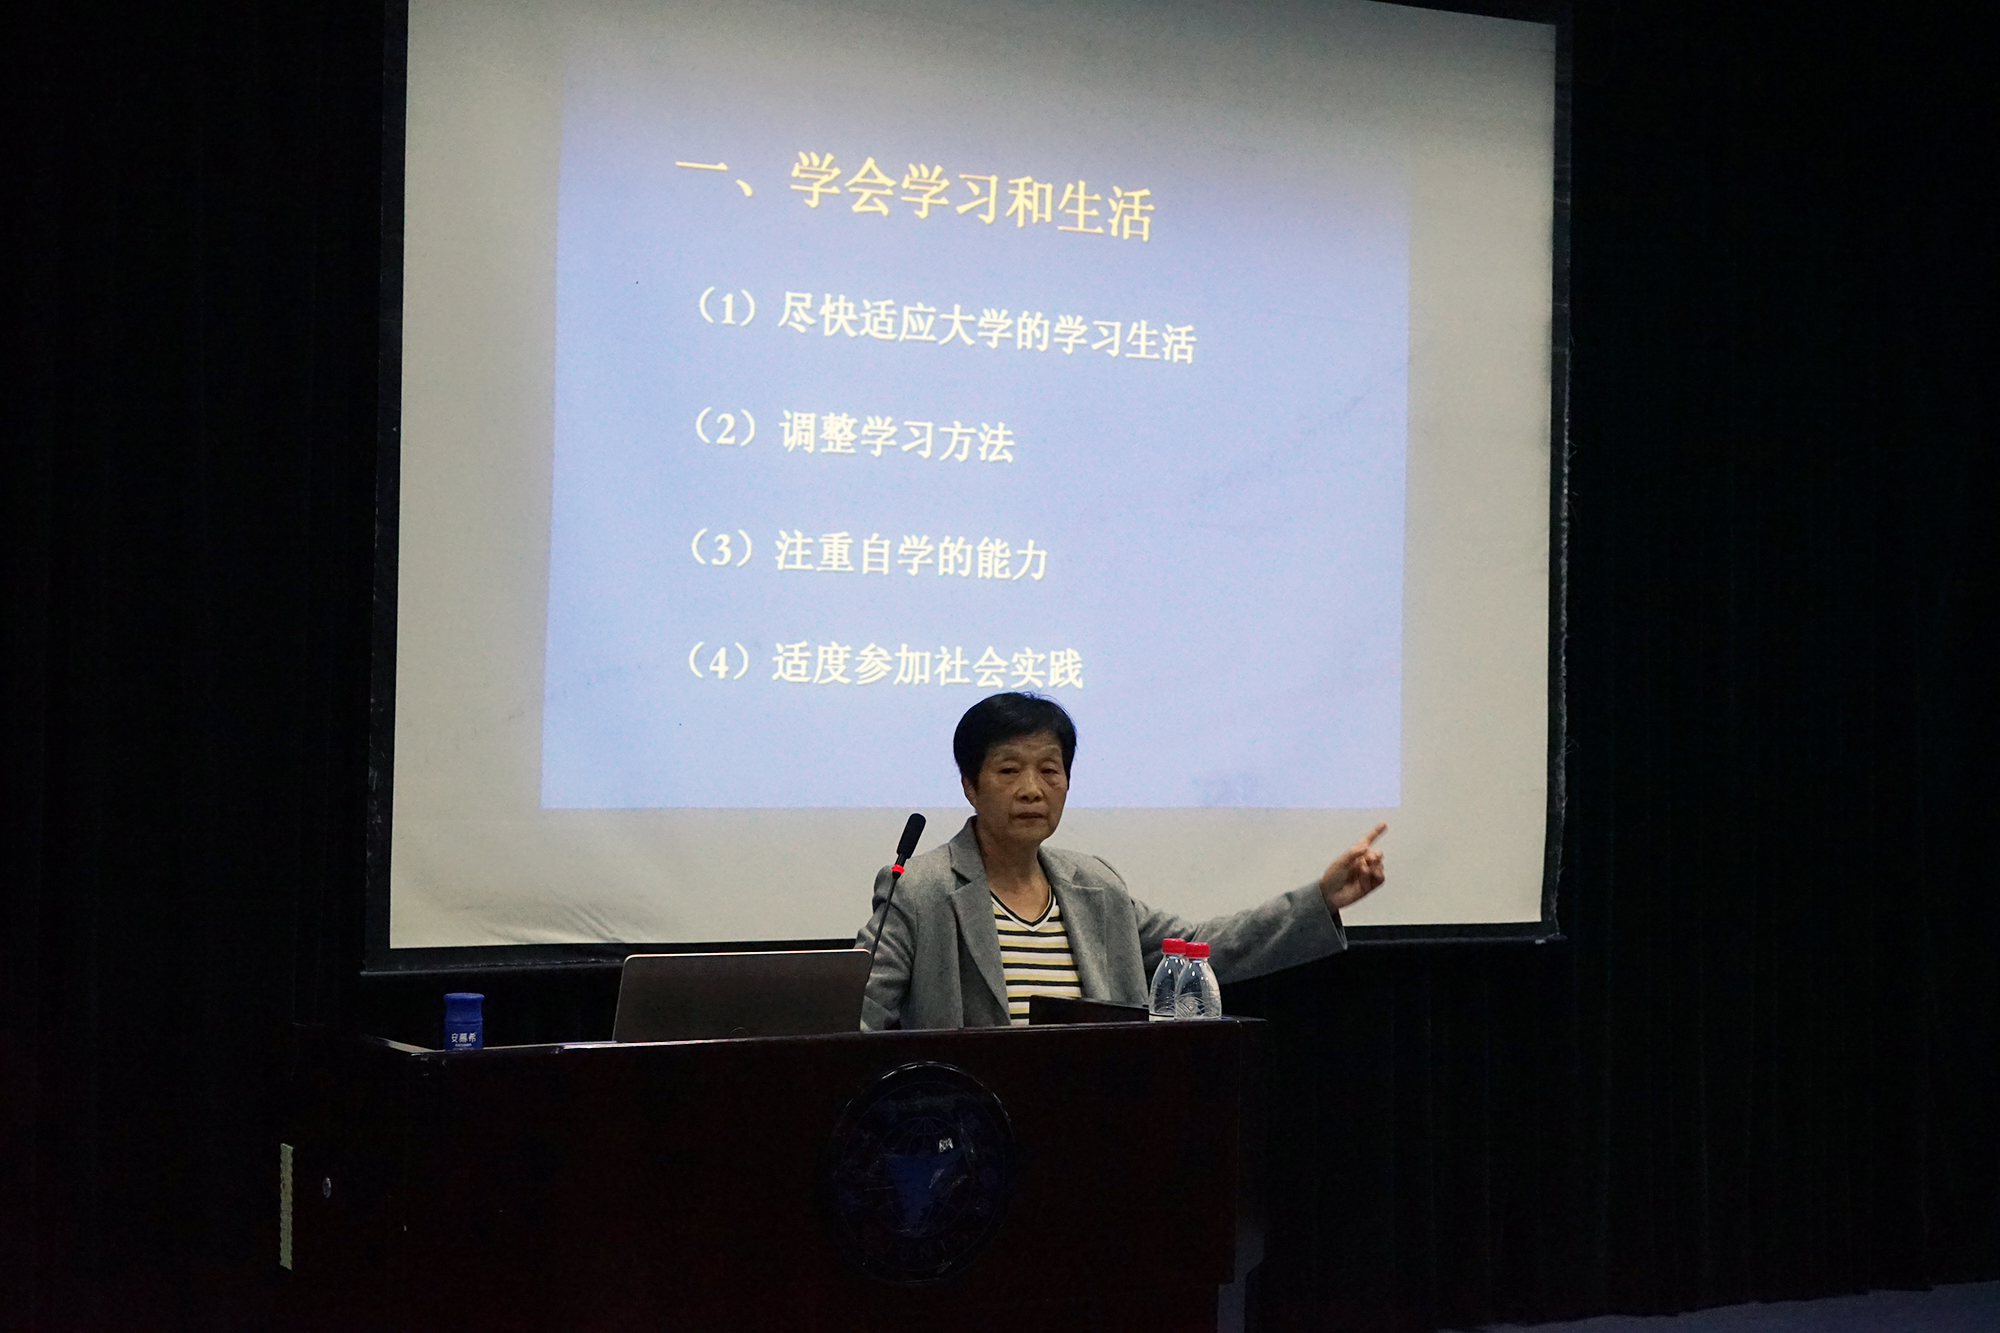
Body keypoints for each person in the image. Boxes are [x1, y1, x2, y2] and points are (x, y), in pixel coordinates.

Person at [857, 692, 1388, 1030]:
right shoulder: (920, 889)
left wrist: (1320, 900)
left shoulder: (1095, 886)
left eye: (1050, 771)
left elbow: (1201, 947)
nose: (1032, 790)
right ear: (970, 786)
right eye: (1009, 771)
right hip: (969, 1137)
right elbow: (857, 1016)